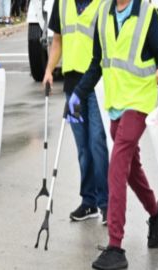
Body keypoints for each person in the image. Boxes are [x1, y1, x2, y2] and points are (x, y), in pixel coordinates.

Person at [69, 0, 158, 269]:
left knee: (118, 164)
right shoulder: (103, 12)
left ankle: (116, 245)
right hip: (116, 104)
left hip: (140, 100)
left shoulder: (147, 14)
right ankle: (156, 212)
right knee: (131, 166)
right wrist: (78, 93)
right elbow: (96, 63)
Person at [44, 0, 109, 224]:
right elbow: (58, 41)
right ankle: (89, 201)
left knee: (97, 144)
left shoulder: (103, 4)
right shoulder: (61, 3)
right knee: (83, 148)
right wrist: (49, 70)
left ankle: (106, 204)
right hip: (72, 88)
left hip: (96, 85)